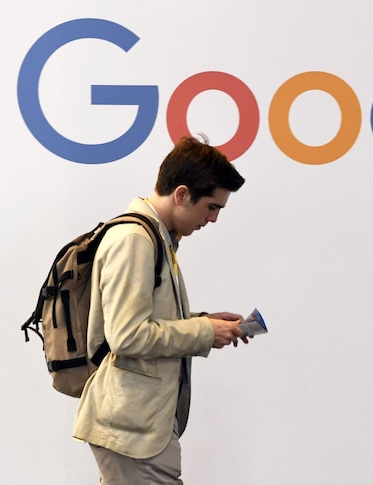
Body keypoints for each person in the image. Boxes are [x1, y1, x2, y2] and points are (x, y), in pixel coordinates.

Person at [73, 136, 248, 484]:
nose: (212, 219)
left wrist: (204, 323)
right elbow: (127, 335)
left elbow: (146, 322)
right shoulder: (135, 239)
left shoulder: (156, 236)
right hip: (133, 430)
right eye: (211, 207)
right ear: (182, 194)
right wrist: (204, 332)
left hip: (139, 425)